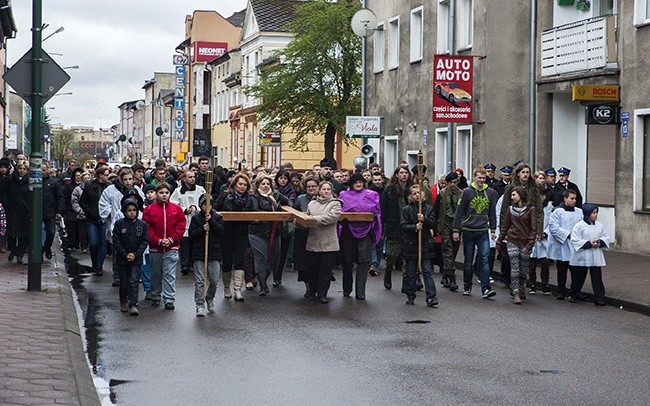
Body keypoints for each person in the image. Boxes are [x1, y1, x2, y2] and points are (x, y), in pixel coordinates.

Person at [453, 166, 499, 299]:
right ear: (474, 177)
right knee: (468, 261)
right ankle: (467, 286)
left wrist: (493, 229)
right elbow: (459, 212)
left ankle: (486, 288)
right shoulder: (466, 192)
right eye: (479, 178)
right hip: (468, 230)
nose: (482, 180)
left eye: (484, 178)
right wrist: (456, 230)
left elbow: (492, 212)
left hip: (483, 230)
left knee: (484, 259)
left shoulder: (490, 193)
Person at [338, 173, 382, 300]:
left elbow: (377, 212)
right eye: (356, 182)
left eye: (360, 182)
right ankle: (347, 289)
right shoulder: (343, 195)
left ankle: (361, 292)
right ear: (351, 184)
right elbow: (341, 211)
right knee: (347, 261)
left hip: (366, 231)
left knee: (363, 261)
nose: (358, 184)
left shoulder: (372, 195)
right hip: (348, 231)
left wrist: (373, 216)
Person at [143, 183, 186, 309]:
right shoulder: (149, 210)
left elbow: (181, 225)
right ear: (157, 194)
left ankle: (169, 298)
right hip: (155, 247)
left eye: (166, 193)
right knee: (156, 273)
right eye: (161, 193)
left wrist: (172, 239)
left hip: (171, 247)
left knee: (169, 273)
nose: (164, 195)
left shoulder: (176, 209)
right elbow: (147, 227)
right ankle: (156, 295)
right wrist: (158, 240)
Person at [213, 172, 253, 301]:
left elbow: (253, 214)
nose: (242, 187)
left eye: (244, 185)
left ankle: (237, 289)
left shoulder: (250, 199)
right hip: (226, 232)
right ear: (235, 184)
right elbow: (215, 209)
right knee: (227, 260)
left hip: (242, 232)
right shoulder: (225, 195)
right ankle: (226, 288)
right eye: (240, 184)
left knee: (240, 260)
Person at [248, 174, 290, 296]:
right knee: (261, 259)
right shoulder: (254, 197)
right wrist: (272, 214)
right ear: (258, 185)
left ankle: (265, 280)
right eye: (263, 184)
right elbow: (256, 212)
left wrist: (284, 211)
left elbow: (289, 203)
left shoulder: (276, 195)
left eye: (267, 184)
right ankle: (263, 285)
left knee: (273, 259)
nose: (266, 186)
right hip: (257, 232)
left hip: (274, 232)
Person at [496, 186, 537, 304]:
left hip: (525, 242)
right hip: (512, 240)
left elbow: (533, 229)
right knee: (514, 267)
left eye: (514, 195)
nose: (512, 197)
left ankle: (521, 287)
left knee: (523, 270)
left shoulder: (531, 209)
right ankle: (515, 292)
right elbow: (505, 226)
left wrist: (530, 244)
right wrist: (500, 240)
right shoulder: (510, 209)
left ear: (520, 195)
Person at [401, 185, 439, 307]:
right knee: (411, 272)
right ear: (411, 196)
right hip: (411, 245)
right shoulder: (407, 210)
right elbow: (403, 226)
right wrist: (414, 227)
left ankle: (431, 297)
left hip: (425, 245)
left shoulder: (428, 208)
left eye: (419, 193)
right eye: (414, 193)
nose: (417, 195)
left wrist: (425, 219)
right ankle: (411, 295)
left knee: (427, 271)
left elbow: (433, 223)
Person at [304, 181, 342, 303]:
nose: (326, 191)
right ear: (319, 190)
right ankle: (312, 291)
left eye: (328, 189)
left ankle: (322, 294)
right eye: (323, 189)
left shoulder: (336, 204)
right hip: (313, 241)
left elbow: (331, 217)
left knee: (325, 272)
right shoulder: (312, 203)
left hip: (329, 244)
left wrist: (313, 219)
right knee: (313, 270)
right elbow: (306, 217)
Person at [112, 196, 149, 316]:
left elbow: (144, 241)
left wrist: (136, 254)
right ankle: (123, 301)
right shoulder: (119, 224)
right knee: (124, 282)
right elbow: (116, 241)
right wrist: (124, 254)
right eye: (129, 210)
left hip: (136, 258)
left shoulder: (142, 225)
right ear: (124, 212)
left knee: (134, 280)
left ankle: (133, 303)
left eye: (134, 210)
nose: (132, 213)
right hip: (122, 258)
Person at [189, 194, 225, 316]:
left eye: (209, 204)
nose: (207, 207)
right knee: (199, 280)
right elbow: (192, 234)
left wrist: (211, 222)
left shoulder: (217, 217)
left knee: (214, 279)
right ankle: (199, 304)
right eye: (205, 204)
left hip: (214, 252)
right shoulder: (196, 218)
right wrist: (202, 229)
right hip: (199, 252)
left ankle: (210, 297)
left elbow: (220, 232)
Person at [568, 203, 609, 305]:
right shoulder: (579, 226)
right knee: (579, 277)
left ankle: (599, 298)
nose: (596, 215)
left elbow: (605, 237)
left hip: (595, 255)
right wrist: (588, 244)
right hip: (583, 255)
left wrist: (600, 242)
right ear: (587, 214)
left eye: (596, 213)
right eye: (593, 213)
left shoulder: (599, 225)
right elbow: (575, 240)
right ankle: (574, 294)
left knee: (597, 278)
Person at [381, 165, 414, 290]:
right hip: (393, 226)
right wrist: (382, 228)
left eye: (406, 172)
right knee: (391, 255)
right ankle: (388, 273)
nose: (404, 175)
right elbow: (383, 209)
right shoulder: (389, 190)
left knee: (407, 256)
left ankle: (406, 282)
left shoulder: (412, 189)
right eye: (401, 173)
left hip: (408, 227)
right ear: (396, 175)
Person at [548, 189, 583, 300]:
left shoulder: (579, 211)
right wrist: (567, 234)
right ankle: (561, 291)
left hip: (575, 243)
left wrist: (577, 236)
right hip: (562, 245)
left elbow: (582, 225)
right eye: (571, 198)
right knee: (562, 270)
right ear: (565, 198)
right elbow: (553, 227)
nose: (574, 201)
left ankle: (574, 292)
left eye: (575, 199)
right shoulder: (558, 212)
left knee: (575, 270)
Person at [170, 170, 205, 276]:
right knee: (185, 244)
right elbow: (173, 204)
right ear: (184, 179)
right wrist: (184, 209)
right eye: (190, 177)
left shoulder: (200, 190)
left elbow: (205, 201)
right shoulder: (178, 191)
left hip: (197, 219)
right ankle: (184, 264)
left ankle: (192, 263)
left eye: (194, 177)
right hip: (185, 219)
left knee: (195, 243)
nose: (192, 179)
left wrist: (198, 208)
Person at [80, 166, 111, 274]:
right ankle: (94, 261)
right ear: (100, 175)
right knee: (94, 243)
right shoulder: (90, 185)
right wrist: (89, 211)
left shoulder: (109, 186)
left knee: (103, 242)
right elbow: (82, 201)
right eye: (106, 174)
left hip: (104, 219)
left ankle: (99, 266)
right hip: (91, 219)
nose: (108, 177)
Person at [434, 172, 461, 291]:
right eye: (450, 183)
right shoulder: (442, 194)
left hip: (457, 224)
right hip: (445, 223)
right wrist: (435, 229)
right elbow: (436, 211)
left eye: (455, 182)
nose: (452, 185)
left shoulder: (461, 193)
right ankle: (452, 279)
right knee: (447, 250)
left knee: (454, 251)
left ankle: (445, 275)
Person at [293, 176, 319, 297]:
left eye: (313, 186)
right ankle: (308, 287)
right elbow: (294, 213)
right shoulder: (300, 199)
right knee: (304, 262)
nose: (311, 188)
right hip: (303, 234)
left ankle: (318, 286)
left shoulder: (322, 198)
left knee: (317, 261)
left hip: (318, 234)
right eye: (309, 186)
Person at [529, 171, 553, 295]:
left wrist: (545, 233)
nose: (542, 198)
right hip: (533, 238)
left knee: (545, 263)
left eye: (543, 196)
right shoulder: (531, 208)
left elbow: (552, 223)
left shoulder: (549, 208)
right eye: (539, 196)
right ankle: (532, 284)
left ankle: (545, 284)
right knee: (532, 263)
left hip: (544, 239)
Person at [273, 170, 296, 286]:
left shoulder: (291, 191)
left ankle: (278, 275)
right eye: (280, 178)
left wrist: (279, 197)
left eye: (285, 178)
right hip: (273, 225)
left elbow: (291, 204)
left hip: (286, 225)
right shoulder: (271, 190)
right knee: (273, 252)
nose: (283, 180)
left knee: (282, 252)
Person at [5, 162, 30, 264]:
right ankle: (12, 250)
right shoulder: (10, 179)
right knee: (11, 233)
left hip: (24, 212)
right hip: (12, 210)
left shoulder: (29, 181)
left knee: (23, 235)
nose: (22, 171)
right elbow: (4, 192)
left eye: (24, 169)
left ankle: (20, 255)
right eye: (20, 168)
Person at [42, 162, 65, 260]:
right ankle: (40, 252)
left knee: (51, 232)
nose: (42, 172)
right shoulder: (33, 181)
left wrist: (59, 211)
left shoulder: (54, 182)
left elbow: (59, 197)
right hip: (37, 213)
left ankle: (47, 247)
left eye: (44, 170)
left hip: (49, 212)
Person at [368, 172, 386, 276]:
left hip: (382, 220)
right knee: (372, 243)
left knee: (380, 244)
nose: (377, 182)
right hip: (372, 220)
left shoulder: (386, 191)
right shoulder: (369, 192)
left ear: (382, 180)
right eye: (375, 180)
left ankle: (377, 263)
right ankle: (373, 264)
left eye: (379, 180)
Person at [70, 172, 91, 253]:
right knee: (82, 233)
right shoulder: (77, 189)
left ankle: (89, 246)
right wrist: (79, 210)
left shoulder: (92, 188)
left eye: (88, 178)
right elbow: (74, 201)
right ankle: (84, 247)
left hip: (91, 215)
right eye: (85, 178)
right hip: (81, 215)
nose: (87, 180)